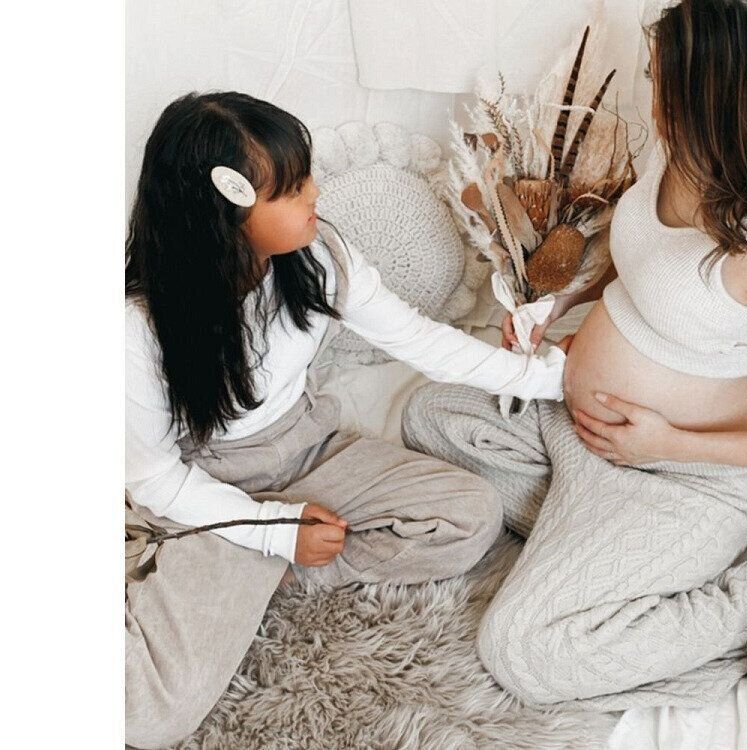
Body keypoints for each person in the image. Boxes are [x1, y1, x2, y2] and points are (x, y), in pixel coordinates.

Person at [402, 0, 747, 710]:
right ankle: (586, 537)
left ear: (719, 98)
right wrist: (555, 305)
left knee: (521, 651)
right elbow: (641, 261)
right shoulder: (678, 151)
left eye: (665, 84)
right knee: (430, 413)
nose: (654, 98)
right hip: (578, 434)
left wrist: (665, 441)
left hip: (686, 478)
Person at [124, 91, 568, 748]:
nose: (315, 193)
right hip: (211, 492)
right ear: (227, 208)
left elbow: (419, 339)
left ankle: (269, 571)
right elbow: (155, 480)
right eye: (291, 188)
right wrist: (274, 531)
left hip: (311, 448)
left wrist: (549, 378)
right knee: (148, 716)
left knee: (472, 517)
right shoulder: (138, 331)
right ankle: (252, 561)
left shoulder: (319, 252)